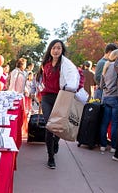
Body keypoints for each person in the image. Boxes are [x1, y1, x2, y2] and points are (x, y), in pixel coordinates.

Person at [39, 39, 80, 169]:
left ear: (62, 51)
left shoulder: (66, 66)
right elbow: (43, 81)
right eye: (53, 48)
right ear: (50, 50)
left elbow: (75, 79)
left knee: (58, 125)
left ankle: (56, 141)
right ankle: (50, 157)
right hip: (46, 97)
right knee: (49, 125)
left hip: (61, 97)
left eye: (59, 48)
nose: (56, 50)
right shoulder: (45, 64)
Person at [99, 49, 118, 153]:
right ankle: (113, 146)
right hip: (116, 97)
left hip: (106, 97)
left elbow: (101, 85)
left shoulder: (106, 66)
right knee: (115, 123)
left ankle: (103, 145)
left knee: (104, 122)